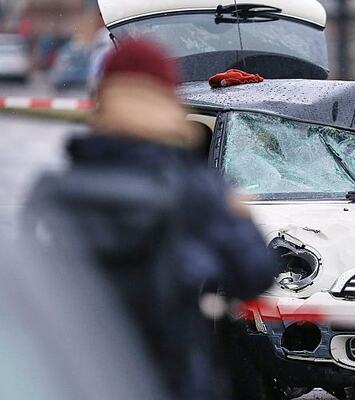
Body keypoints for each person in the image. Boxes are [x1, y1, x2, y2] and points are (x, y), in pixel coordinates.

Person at [24, 39, 281, 400]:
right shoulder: (196, 189)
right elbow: (255, 275)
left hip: (78, 382)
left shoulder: (53, 192)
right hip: (171, 380)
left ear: (102, 98)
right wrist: (239, 217)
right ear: (167, 99)